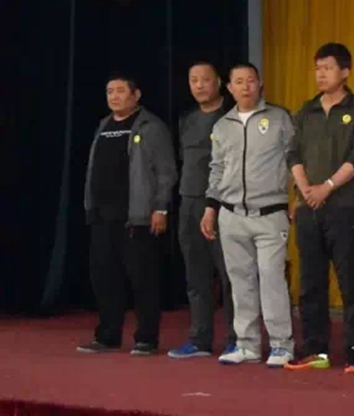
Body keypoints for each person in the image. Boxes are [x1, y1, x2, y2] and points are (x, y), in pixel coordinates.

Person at [284, 43, 354, 374]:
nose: (321, 74)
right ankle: (315, 348)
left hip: (343, 207)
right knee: (311, 282)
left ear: (345, 72)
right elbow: (293, 154)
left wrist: (327, 187)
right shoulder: (306, 110)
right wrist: (305, 188)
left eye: (328, 68)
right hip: (309, 208)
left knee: (350, 280)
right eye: (317, 68)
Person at [201, 62, 295, 367]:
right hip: (231, 215)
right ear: (229, 88)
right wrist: (211, 208)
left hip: (270, 213)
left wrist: (297, 197)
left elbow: (295, 159)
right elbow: (216, 169)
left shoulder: (279, 118)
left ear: (260, 83)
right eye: (239, 82)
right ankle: (247, 344)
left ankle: (281, 345)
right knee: (240, 282)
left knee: (272, 279)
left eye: (251, 80)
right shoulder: (222, 125)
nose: (245, 86)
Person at [78, 75, 177, 356]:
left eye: (120, 91)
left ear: (136, 95)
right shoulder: (104, 125)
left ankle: (146, 338)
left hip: (137, 217)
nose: (114, 96)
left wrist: (160, 207)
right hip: (102, 216)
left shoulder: (151, 126)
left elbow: (166, 171)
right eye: (110, 91)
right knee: (105, 279)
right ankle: (107, 336)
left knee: (143, 280)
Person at [168, 61, 236, 359]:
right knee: (196, 276)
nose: (199, 85)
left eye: (205, 79)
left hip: (223, 203)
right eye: (193, 80)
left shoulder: (231, 117)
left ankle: (237, 339)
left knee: (230, 276)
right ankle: (200, 339)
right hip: (189, 201)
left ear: (218, 82)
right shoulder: (187, 119)